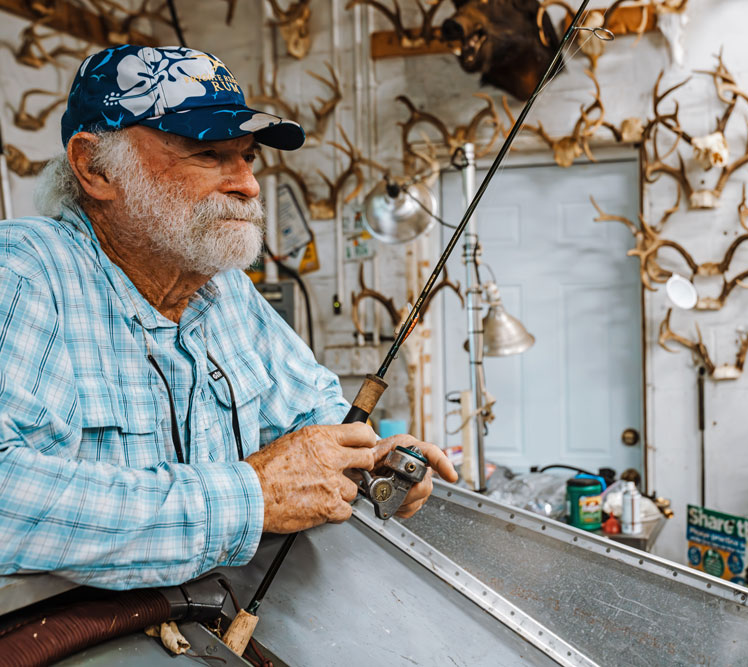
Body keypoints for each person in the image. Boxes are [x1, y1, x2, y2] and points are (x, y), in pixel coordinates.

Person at [0, 45, 457, 589]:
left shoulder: (224, 287)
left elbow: (315, 418)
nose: (248, 184)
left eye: (248, 157)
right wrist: (251, 497)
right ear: (95, 167)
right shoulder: (25, 274)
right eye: (209, 154)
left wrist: (375, 456)